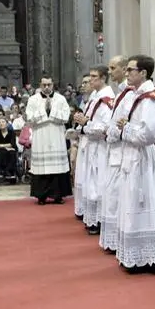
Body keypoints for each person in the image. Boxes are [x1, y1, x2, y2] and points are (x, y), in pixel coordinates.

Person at [112, 55, 155, 272]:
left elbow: (149, 135)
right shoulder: (133, 95)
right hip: (131, 155)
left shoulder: (151, 98)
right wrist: (123, 128)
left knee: (147, 202)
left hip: (144, 158)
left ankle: (152, 257)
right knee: (131, 201)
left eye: (130, 70)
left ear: (144, 73)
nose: (126, 73)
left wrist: (126, 128)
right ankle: (136, 255)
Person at [98, 59, 136, 254]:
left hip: (122, 150)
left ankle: (116, 241)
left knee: (115, 195)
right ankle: (114, 239)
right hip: (113, 148)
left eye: (114, 68)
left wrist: (111, 132)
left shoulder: (129, 93)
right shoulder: (121, 92)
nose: (110, 71)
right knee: (111, 195)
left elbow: (125, 120)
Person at [26, 75, 72, 204]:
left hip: (56, 134)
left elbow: (66, 117)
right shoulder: (33, 100)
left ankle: (58, 195)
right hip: (40, 134)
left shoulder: (61, 99)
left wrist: (51, 112)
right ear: (40, 85)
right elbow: (29, 118)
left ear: (53, 85)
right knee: (42, 168)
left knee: (57, 167)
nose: (46, 87)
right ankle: (42, 195)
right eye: (44, 85)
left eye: (49, 85)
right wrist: (45, 111)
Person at [81, 65, 115, 235]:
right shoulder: (96, 96)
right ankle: (93, 219)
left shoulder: (107, 98)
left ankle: (101, 220)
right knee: (92, 181)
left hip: (101, 147)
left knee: (100, 182)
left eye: (94, 76)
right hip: (92, 146)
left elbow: (104, 128)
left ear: (103, 78)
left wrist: (85, 125)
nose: (91, 79)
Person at [72, 75, 95, 220]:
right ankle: (84, 210)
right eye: (83, 82)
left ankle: (92, 215)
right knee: (82, 177)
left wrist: (85, 124)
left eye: (87, 82)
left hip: (94, 143)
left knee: (92, 181)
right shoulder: (86, 101)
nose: (83, 85)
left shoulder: (99, 100)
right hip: (84, 141)